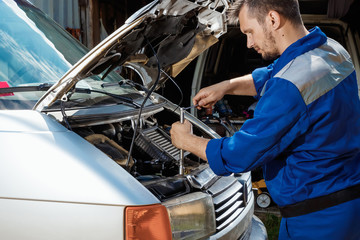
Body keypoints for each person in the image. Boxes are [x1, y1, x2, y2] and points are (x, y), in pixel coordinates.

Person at [170, 0, 360, 239]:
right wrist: (225, 87)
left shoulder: (289, 87)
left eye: (250, 32)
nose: (249, 44)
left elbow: (241, 153)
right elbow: (272, 75)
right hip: (344, 202)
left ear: (273, 19)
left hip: (317, 220)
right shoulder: (331, 50)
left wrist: (185, 140)